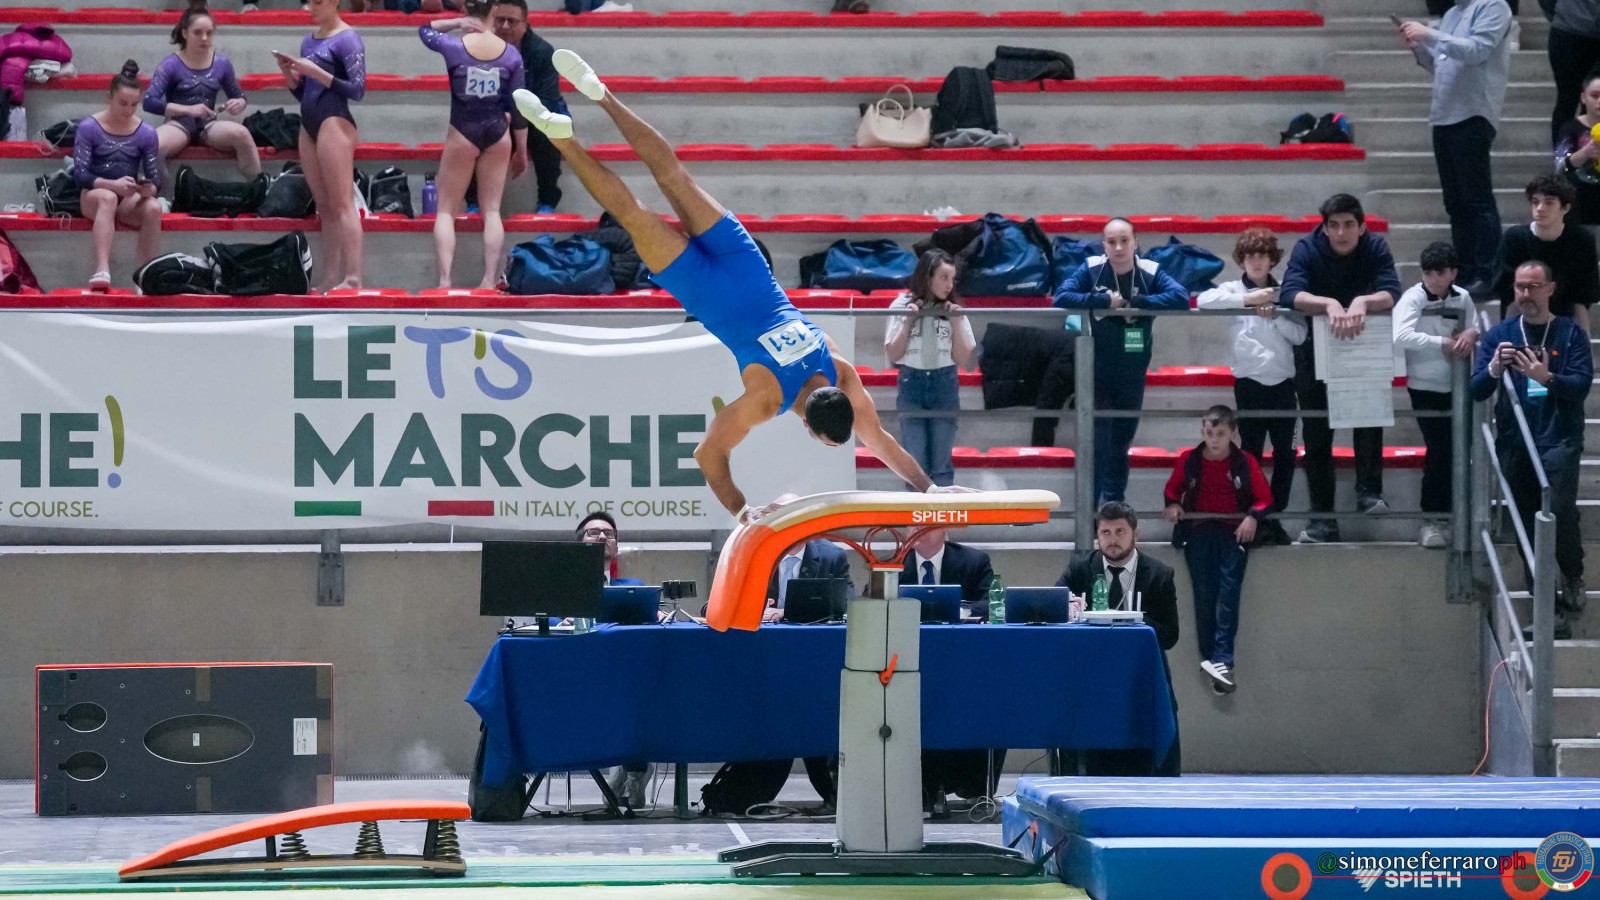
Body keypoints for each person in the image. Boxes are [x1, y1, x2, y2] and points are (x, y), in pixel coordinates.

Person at [512, 51, 957, 522]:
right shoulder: (768, 399)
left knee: (674, 177)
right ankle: (561, 137)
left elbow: (879, 440)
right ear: (808, 428)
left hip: (746, 267)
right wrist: (742, 511)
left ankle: (600, 92)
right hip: (705, 291)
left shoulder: (840, 370)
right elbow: (709, 454)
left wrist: (929, 488)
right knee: (632, 214)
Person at [1473, 260, 1591, 637]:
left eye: (1534, 286)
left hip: (1559, 437)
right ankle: (1547, 609)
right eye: (1520, 287)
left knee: (1558, 510)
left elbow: (1580, 386)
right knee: (1527, 523)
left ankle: (1572, 573)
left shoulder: (1570, 333)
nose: (1526, 294)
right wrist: (1494, 368)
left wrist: (1546, 377)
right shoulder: (1502, 335)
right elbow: (1477, 389)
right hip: (1515, 440)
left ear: (1550, 289)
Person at [1278, 194, 1402, 543]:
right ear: (1325, 228)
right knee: (1317, 435)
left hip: (1362, 347)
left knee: (1370, 418)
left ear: (1362, 227)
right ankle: (1322, 519)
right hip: (1314, 350)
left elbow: (1392, 291)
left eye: (1349, 225)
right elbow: (1290, 293)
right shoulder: (1307, 248)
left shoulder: (1375, 246)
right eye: (1333, 225)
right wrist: (1329, 304)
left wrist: (1363, 301)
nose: (1341, 232)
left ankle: (1369, 492)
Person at [1052, 217, 1190, 506]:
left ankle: (1114, 512)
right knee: (1097, 447)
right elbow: (1061, 297)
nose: (1118, 247)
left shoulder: (1149, 270)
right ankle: (1090, 515)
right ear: (1104, 245)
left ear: (1135, 242)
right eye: (1112, 242)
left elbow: (1180, 297)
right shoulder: (1092, 268)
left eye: (1124, 241)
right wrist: (1104, 302)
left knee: (1120, 446)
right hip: (1097, 374)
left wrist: (1140, 303)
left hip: (1132, 374)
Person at [1196, 229, 1304, 545]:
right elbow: (1203, 300)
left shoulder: (1285, 291)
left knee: (1286, 456)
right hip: (1249, 385)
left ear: (1272, 260)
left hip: (1284, 386)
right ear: (1242, 260)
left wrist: (1275, 315)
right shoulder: (1232, 290)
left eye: (1262, 256)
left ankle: (1274, 518)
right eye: (1250, 256)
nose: (1256, 262)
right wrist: (1249, 299)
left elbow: (1300, 335)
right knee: (1250, 455)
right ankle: (1253, 517)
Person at [1056, 503, 1179, 776]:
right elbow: (1054, 606)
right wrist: (1068, 606)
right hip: (1091, 677)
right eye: (1106, 532)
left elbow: (1170, 635)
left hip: (1140, 677)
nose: (1112, 539)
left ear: (1136, 534)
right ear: (1097, 535)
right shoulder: (1080, 568)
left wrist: (1132, 620)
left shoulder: (1159, 574)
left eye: (1120, 531)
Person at [1399, 0, 1512, 295]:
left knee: (1477, 200)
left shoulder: (1493, 6)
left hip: (1472, 113)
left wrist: (1429, 34)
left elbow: (1477, 50)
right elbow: (1440, 63)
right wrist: (1418, 47)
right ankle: (1463, 270)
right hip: (1444, 115)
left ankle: (1486, 273)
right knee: (1456, 203)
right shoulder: (1452, 14)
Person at [1163, 406, 1271, 696]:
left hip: (1233, 532)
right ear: (1202, 431)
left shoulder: (1244, 462)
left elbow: (1264, 498)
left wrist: (1252, 517)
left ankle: (1223, 659)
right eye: (1209, 433)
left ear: (1233, 434)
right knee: (1204, 594)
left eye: (1220, 434)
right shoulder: (1190, 460)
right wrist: (1173, 505)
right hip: (1199, 532)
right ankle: (1211, 658)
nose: (1214, 439)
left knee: (1228, 594)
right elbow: (1172, 490)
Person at [419, 3, 526, 290]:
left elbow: (425, 30)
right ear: (495, 10)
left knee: (446, 211)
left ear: (468, 8)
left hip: (462, 131)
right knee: (492, 211)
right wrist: (522, 150)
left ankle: (445, 280)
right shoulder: (511, 54)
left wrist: (456, 22)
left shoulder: (455, 47)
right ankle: (489, 279)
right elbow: (518, 108)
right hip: (497, 132)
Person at [1394, 242, 1480, 548]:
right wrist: (1442, 342)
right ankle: (1431, 518)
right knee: (1440, 451)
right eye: (1428, 273)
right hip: (1424, 386)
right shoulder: (1413, 297)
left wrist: (1471, 333)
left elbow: (1474, 326)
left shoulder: (1463, 296)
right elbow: (1400, 335)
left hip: (1457, 385)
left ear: (1453, 273)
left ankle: (1455, 515)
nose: (1433, 279)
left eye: (1440, 273)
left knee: (1459, 451)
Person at [276, 0, 365, 292]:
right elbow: (306, 93)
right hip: (309, 124)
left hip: (334, 121)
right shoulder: (308, 41)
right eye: (309, 1)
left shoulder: (348, 39)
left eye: (319, 1)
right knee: (324, 207)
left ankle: (353, 276)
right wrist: (289, 75)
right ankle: (332, 275)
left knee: (342, 204)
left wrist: (315, 71)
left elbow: (357, 89)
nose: (312, 7)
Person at [884, 249, 977, 489]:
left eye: (952, 279)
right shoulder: (901, 304)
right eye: (943, 277)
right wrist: (907, 321)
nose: (949, 285)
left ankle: (943, 515)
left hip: (944, 384)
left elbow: (964, 359)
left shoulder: (954, 309)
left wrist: (956, 322)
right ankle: (916, 515)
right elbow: (893, 354)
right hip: (911, 384)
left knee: (941, 465)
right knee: (915, 464)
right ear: (927, 276)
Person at [75, 61, 163, 293]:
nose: (128, 110)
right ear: (109, 97)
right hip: (94, 195)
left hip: (127, 198)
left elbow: (155, 178)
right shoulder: (89, 127)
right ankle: (102, 269)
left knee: (154, 207)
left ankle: (145, 274)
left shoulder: (146, 133)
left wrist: (149, 190)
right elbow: (81, 175)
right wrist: (112, 185)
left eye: (134, 105)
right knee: (108, 198)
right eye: (123, 103)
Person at [145, 8, 261, 181]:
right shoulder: (171, 64)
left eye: (209, 33)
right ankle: (160, 193)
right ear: (185, 33)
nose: (204, 38)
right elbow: (149, 102)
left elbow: (239, 96)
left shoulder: (221, 63)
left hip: (208, 125)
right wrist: (188, 110)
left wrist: (239, 104)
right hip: (178, 124)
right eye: (198, 32)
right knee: (154, 145)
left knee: (243, 134)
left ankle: (259, 186)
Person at [1493, 174, 1599, 331]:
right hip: (1521, 315)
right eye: (1535, 202)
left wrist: (1582, 340)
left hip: (1564, 318)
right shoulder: (1514, 238)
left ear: (1565, 208)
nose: (1540, 208)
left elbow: (1582, 296)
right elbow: (1507, 293)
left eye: (1549, 202)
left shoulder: (1582, 240)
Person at [489, 0, 559, 213]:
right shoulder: (481, 49)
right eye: (500, 20)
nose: (505, 26)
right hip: (497, 118)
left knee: (550, 130)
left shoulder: (542, 52)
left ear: (525, 25)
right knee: (473, 129)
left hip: (533, 117)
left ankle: (547, 201)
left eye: (512, 21)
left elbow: (547, 103)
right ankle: (475, 202)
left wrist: (517, 120)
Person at [898, 526, 995, 621]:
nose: (917, 528)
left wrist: (960, 612)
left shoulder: (974, 561)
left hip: (957, 630)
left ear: (944, 527)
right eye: (911, 523)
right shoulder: (894, 563)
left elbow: (992, 603)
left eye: (925, 522)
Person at [1543, 0, 1600, 144]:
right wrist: (1561, 13)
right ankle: (1563, 154)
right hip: (1567, 31)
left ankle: (1591, 153)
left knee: (1594, 100)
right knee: (1567, 98)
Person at [1552, 66, 1600, 223]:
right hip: (1581, 196)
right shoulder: (1570, 128)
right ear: (1583, 98)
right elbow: (1560, 166)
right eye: (1594, 96)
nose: (1599, 101)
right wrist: (1584, 153)